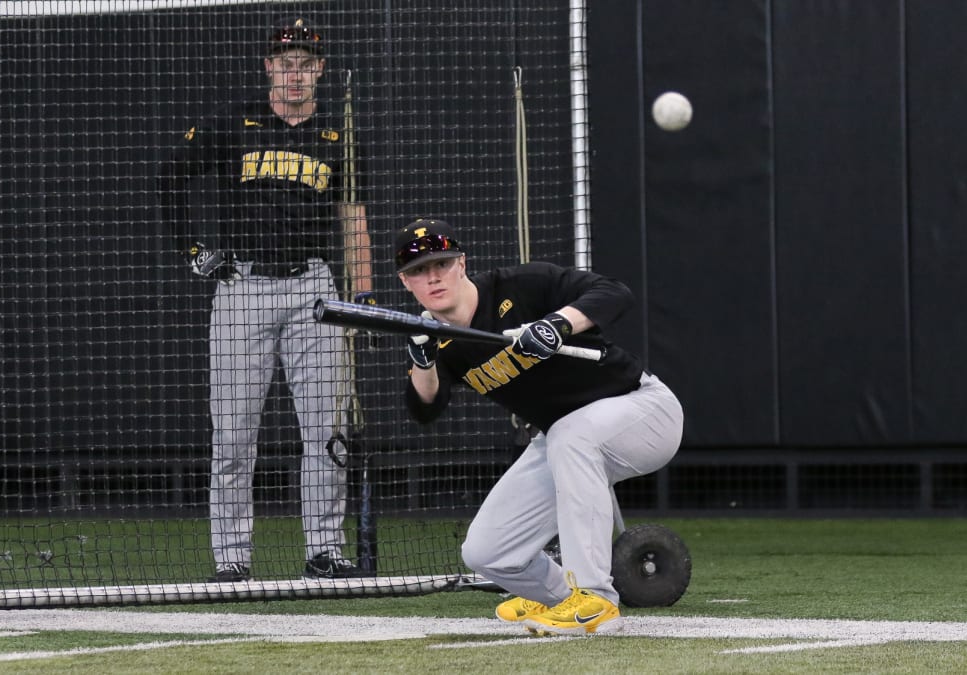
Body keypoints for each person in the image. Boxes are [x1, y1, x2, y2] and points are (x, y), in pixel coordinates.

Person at [158, 17, 373, 582]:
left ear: (319, 70)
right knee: (232, 437)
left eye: (305, 63)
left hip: (313, 290)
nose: (294, 74)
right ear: (268, 67)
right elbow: (171, 175)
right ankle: (231, 560)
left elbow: (354, 217)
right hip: (243, 290)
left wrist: (365, 295)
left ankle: (324, 551)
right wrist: (194, 250)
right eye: (284, 63)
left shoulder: (339, 131)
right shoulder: (234, 122)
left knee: (326, 431)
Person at [393, 218, 684, 635]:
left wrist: (558, 325)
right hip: (566, 439)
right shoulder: (435, 337)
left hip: (644, 411)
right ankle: (562, 596)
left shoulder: (523, 284)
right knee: (487, 552)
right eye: (418, 270)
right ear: (406, 282)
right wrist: (423, 364)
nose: (433, 276)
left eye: (441, 263)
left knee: (570, 434)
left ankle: (595, 600)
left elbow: (615, 293)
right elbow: (425, 410)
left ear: (462, 264)